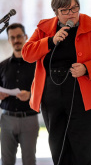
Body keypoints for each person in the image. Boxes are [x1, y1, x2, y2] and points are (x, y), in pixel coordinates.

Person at [22, 0, 91, 165]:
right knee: (58, 148)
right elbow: (27, 53)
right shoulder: (44, 28)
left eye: (74, 8)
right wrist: (50, 41)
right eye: (65, 10)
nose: (71, 14)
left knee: (85, 150)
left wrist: (87, 68)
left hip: (84, 98)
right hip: (52, 98)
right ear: (56, 12)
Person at [0, 23, 39, 165]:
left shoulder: (37, 65)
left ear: (26, 37)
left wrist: (30, 95)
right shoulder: (2, 66)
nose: (16, 40)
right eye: (12, 37)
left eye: (19, 36)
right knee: (6, 161)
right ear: (9, 40)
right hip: (7, 119)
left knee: (29, 161)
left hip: (29, 119)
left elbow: (45, 90)